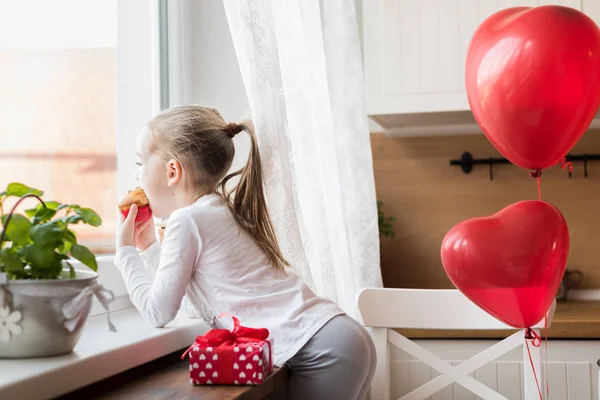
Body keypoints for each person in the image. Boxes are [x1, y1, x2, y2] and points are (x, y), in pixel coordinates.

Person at [115, 105, 376, 399]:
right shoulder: (218, 210)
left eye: (140, 164)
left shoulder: (186, 220)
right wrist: (149, 247)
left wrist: (125, 252)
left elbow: (157, 311)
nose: (137, 176)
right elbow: (190, 304)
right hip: (338, 337)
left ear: (172, 171)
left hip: (322, 349)